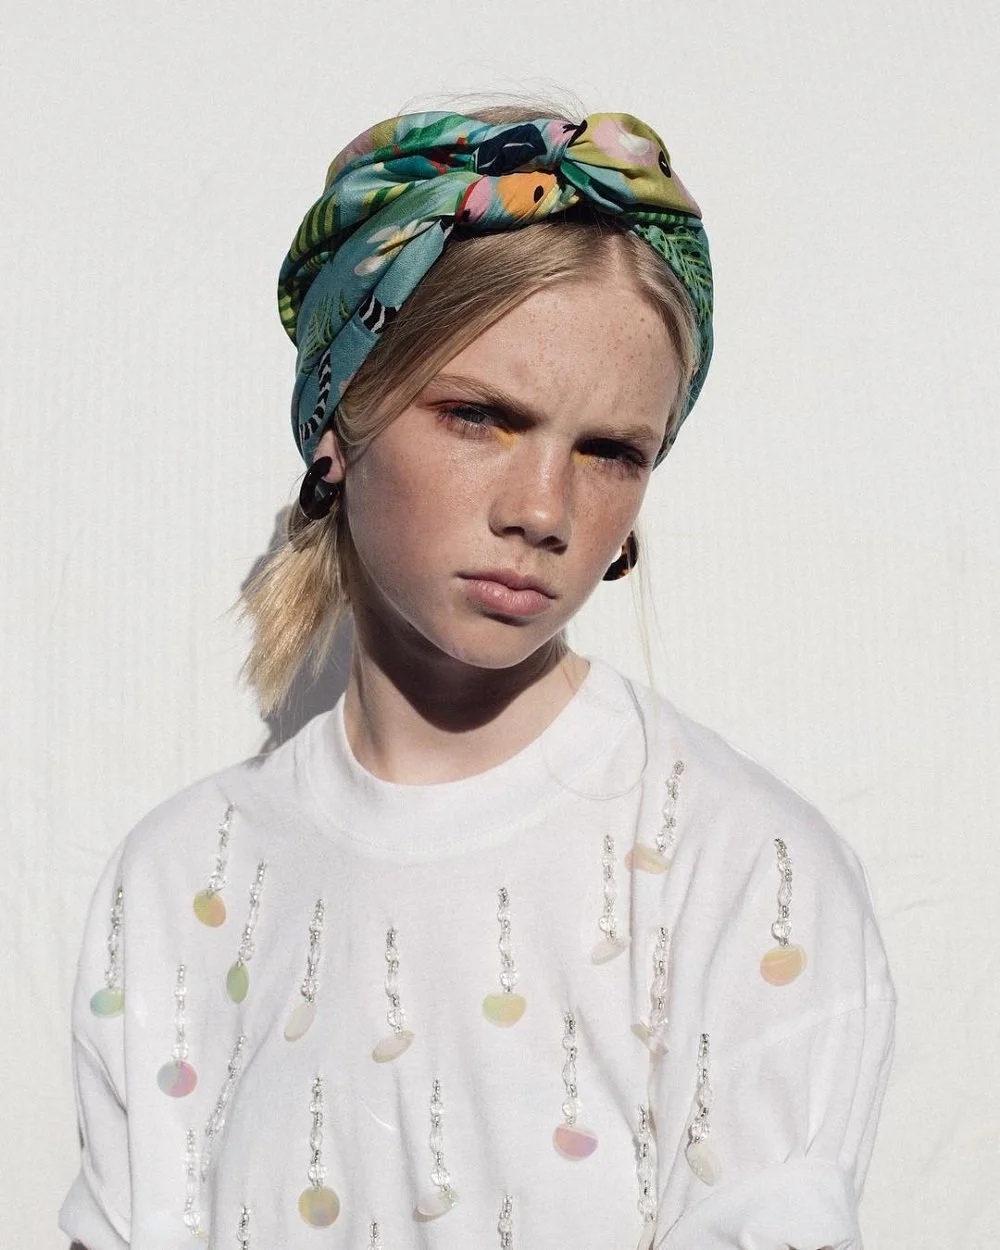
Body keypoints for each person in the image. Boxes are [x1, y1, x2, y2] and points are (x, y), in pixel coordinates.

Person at [60, 102, 895, 1250]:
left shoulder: (744, 868)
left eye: (611, 451)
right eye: (479, 416)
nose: (544, 511)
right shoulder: (180, 883)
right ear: (336, 427)